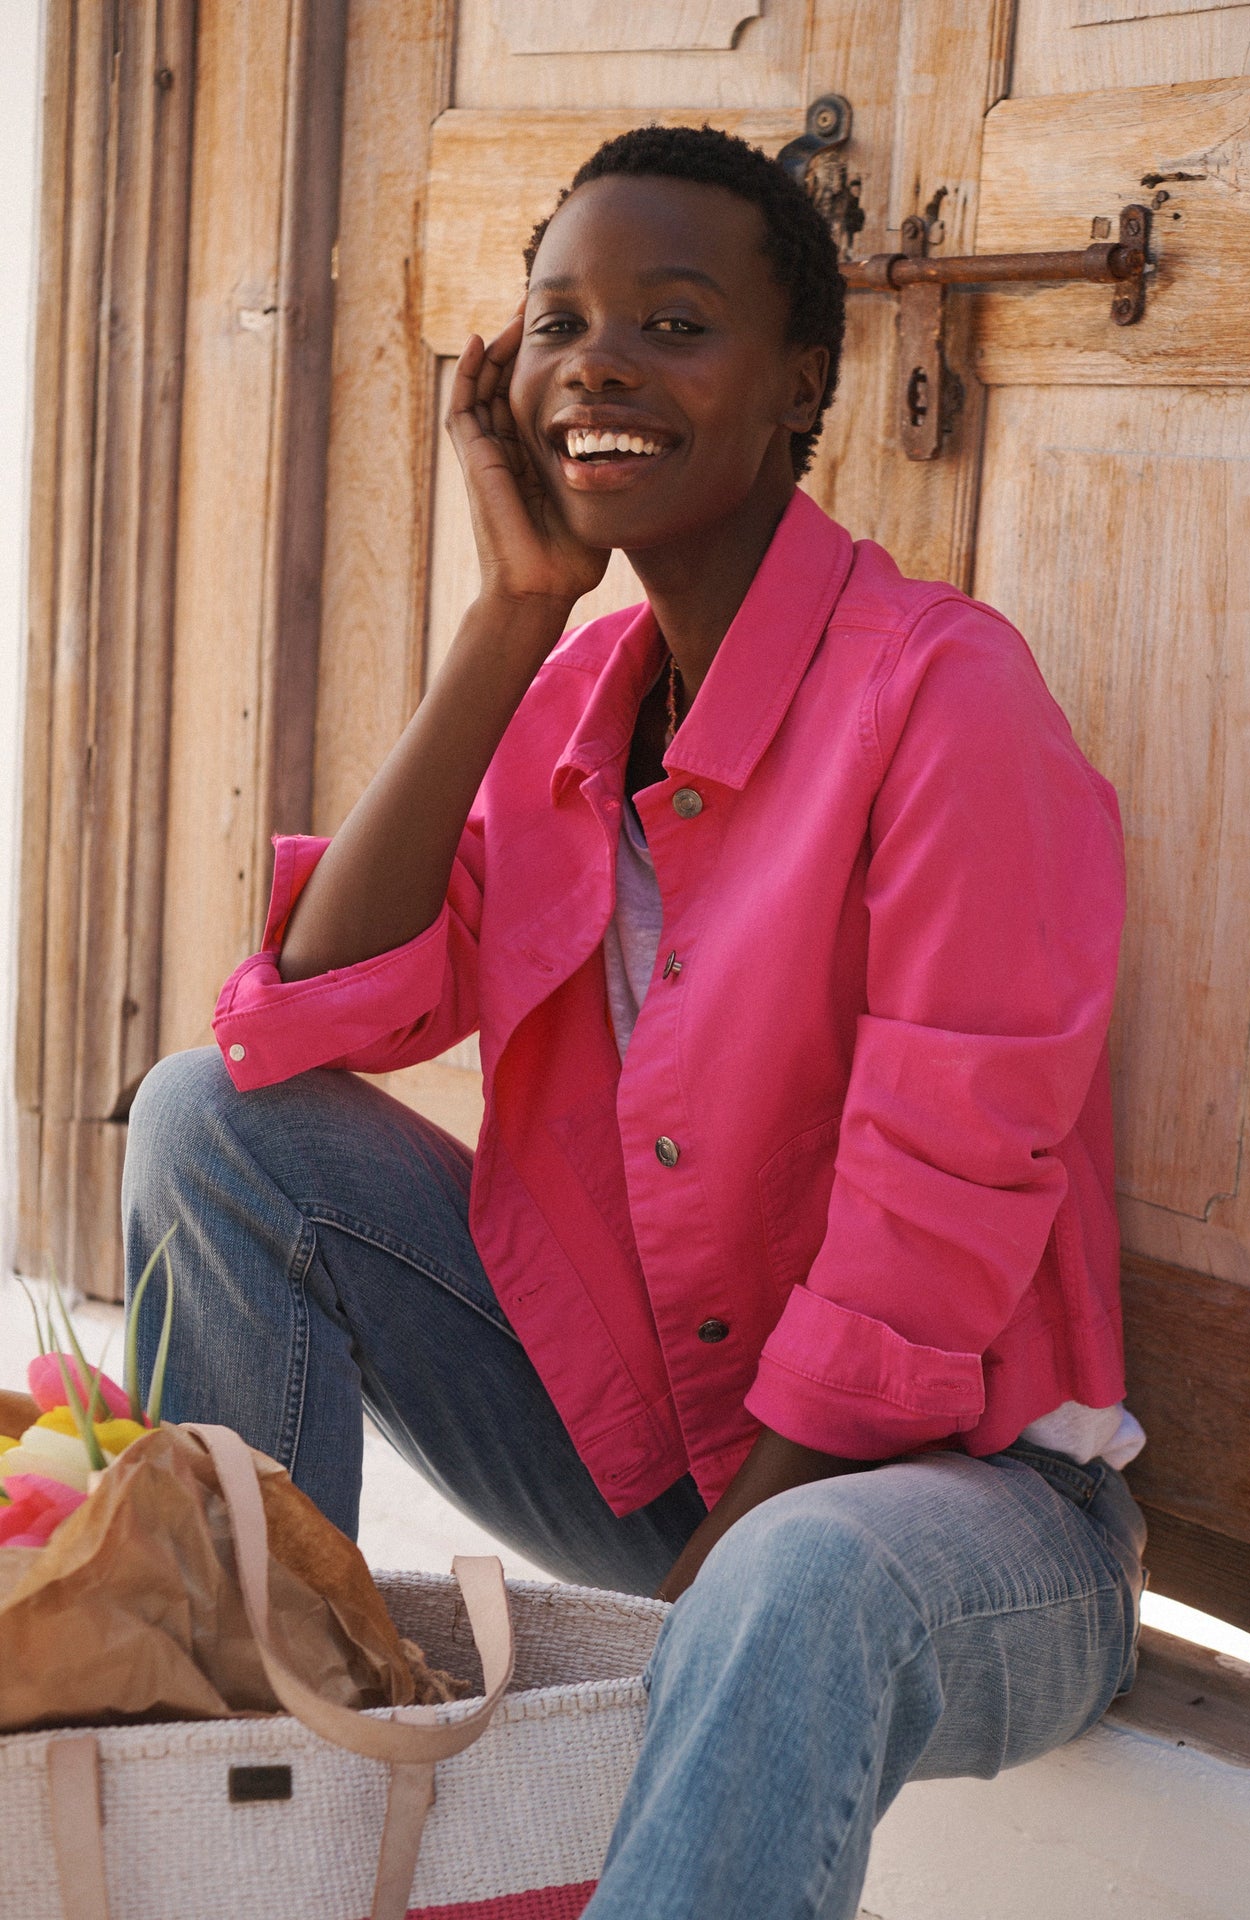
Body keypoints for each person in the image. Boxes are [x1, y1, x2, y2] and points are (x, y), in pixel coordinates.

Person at [124, 126, 1146, 1918]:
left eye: (677, 324)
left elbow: (932, 1233)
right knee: (208, 1124)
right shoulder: (585, 694)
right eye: (558, 321)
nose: (596, 362)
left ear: (800, 380)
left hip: (962, 1524)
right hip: (667, 1460)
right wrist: (509, 624)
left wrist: (649, 1668)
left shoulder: (944, 700)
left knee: (793, 1581)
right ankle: (242, 1814)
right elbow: (300, 1027)